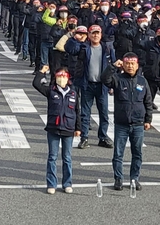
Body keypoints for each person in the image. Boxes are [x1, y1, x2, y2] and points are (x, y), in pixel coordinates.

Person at [101, 53, 153, 192]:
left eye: (132, 63)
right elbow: (104, 79)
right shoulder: (117, 79)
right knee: (118, 153)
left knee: (137, 153)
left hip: (138, 123)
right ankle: (118, 179)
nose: (130, 66)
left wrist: (148, 119)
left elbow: (148, 101)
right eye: (127, 63)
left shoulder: (142, 81)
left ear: (137, 65)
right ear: (123, 64)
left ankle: (134, 178)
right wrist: (112, 67)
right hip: (121, 123)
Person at [64, 24, 115, 149]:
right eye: (93, 33)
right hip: (87, 85)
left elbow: (113, 67)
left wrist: (113, 84)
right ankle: (84, 138)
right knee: (85, 114)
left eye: (98, 33)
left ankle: (103, 137)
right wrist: (75, 38)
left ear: (101, 34)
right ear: (89, 35)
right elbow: (69, 49)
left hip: (102, 86)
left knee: (104, 114)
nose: (95, 35)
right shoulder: (83, 47)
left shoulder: (107, 48)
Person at [32, 66, 79, 194]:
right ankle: (51, 183)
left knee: (67, 157)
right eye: (59, 75)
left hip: (68, 128)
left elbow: (77, 111)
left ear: (68, 78)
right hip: (53, 128)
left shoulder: (73, 93)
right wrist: (41, 72)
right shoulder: (51, 91)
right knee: (52, 157)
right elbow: (36, 84)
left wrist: (78, 128)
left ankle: (67, 183)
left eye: (64, 76)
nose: (61, 78)